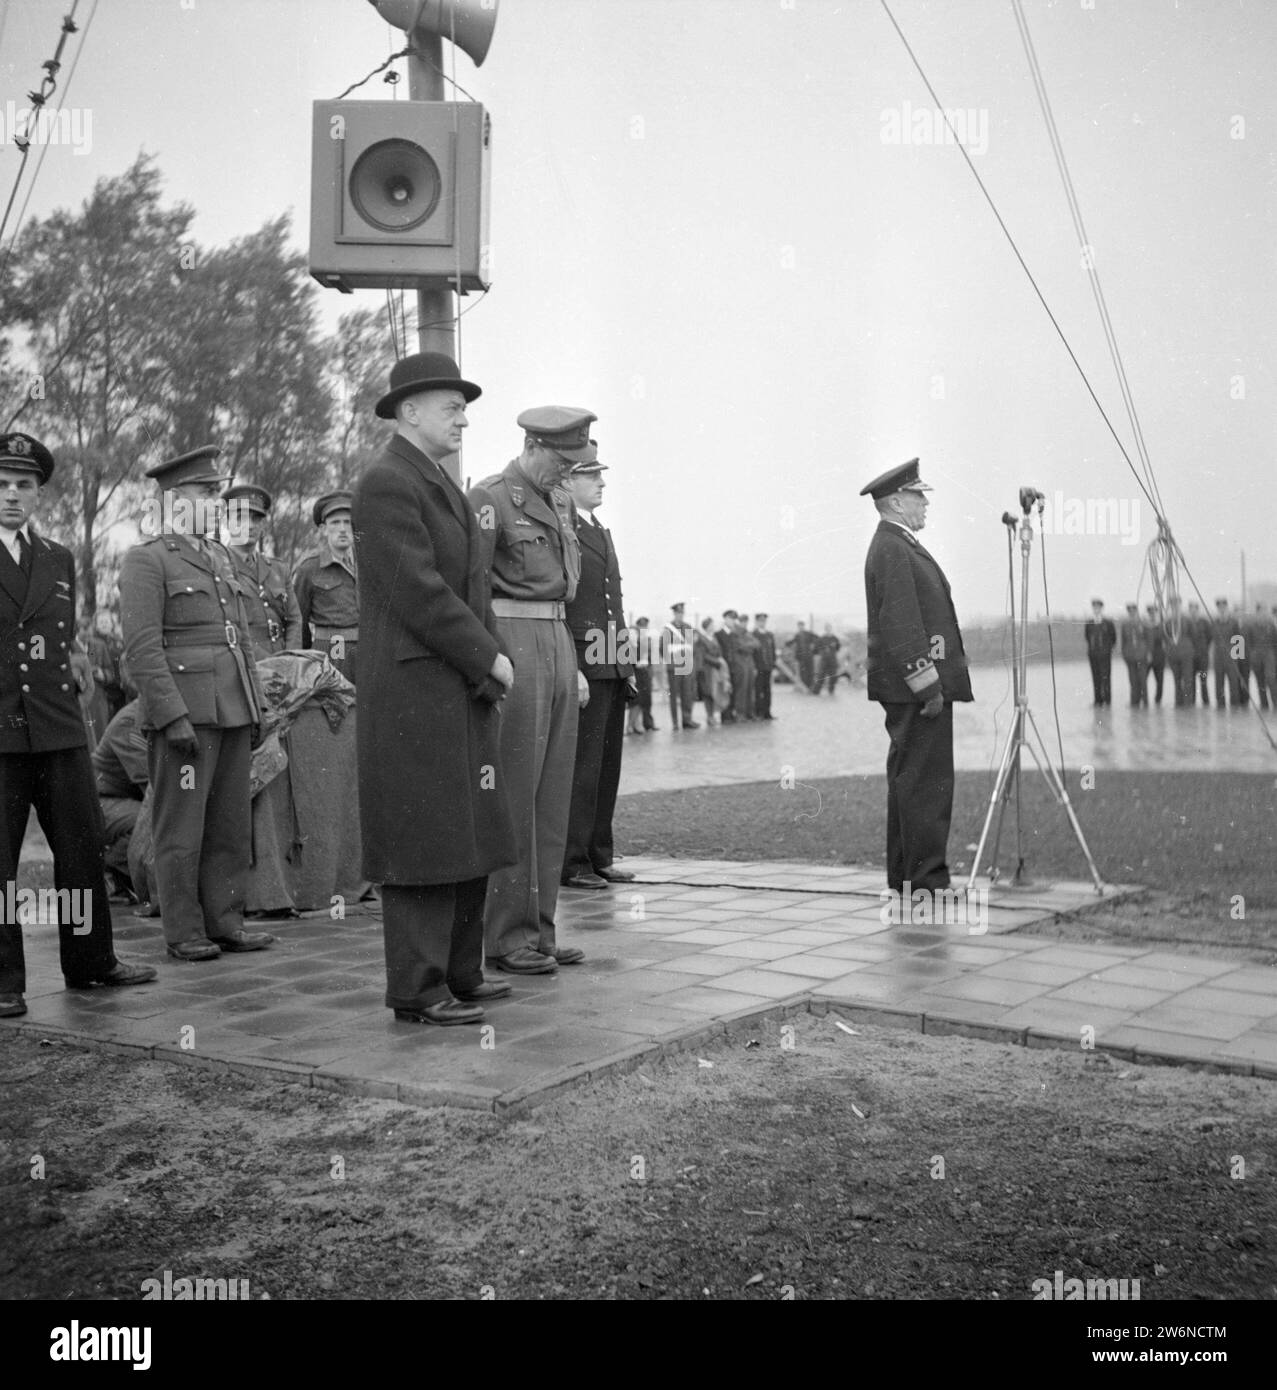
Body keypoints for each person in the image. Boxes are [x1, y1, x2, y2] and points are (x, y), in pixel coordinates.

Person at [354, 351, 516, 1025]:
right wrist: (488, 657)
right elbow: (417, 592)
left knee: (466, 828)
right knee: (423, 833)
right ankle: (417, 990)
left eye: (464, 409)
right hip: (416, 692)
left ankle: (459, 971)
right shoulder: (387, 483)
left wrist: (489, 657)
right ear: (409, 411)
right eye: (452, 407)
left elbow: (471, 587)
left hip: (456, 682)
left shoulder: (437, 482)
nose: (463, 419)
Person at [0, 433, 156, 1018]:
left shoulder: (58, 557)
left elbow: (61, 634)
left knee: (81, 847)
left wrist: (77, 658)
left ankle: (92, 963)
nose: (12, 495)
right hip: (2, 730)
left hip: (59, 725)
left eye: (24, 485)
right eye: (3, 484)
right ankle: (4, 981)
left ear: (38, 493)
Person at [119, 445, 273, 962]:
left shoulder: (220, 557)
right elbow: (142, 648)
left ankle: (225, 922)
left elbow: (242, 639)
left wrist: (257, 707)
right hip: (185, 715)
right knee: (181, 827)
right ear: (172, 499)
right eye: (207, 493)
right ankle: (184, 931)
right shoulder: (147, 559)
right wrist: (171, 716)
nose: (216, 502)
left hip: (231, 708)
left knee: (230, 823)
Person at [470, 406, 594, 974]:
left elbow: (566, 587)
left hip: (557, 638)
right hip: (512, 638)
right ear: (532, 445)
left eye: (575, 464)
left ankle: (541, 930)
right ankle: (505, 937)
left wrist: (574, 662)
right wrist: (488, 658)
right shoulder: (490, 499)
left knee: (552, 794)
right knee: (515, 791)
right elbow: (470, 588)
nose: (566, 474)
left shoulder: (561, 500)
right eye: (561, 462)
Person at [861, 458, 972, 895]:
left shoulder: (895, 543)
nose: (925, 503)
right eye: (917, 495)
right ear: (895, 501)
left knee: (911, 781)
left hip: (909, 687)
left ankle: (908, 877)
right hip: (916, 690)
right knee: (925, 785)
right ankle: (925, 881)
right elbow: (902, 623)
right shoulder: (892, 547)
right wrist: (927, 684)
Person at [560, 444, 636, 890]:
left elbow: (615, 605)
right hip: (584, 662)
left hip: (610, 660)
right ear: (568, 481)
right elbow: (566, 606)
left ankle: (599, 854)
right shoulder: (564, 530)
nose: (602, 483)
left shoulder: (600, 531)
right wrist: (575, 667)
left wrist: (625, 665)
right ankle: (573, 862)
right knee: (584, 766)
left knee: (608, 763)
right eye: (592, 476)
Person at [223, 483, 303, 656]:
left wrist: (290, 658)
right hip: (246, 662)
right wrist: (264, 663)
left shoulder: (278, 569)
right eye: (241, 518)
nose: (250, 525)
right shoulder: (219, 568)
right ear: (226, 522)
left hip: (283, 660)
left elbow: (295, 619)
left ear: (263, 525)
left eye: (256, 519)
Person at [294, 491, 359, 682]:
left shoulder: (368, 564)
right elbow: (299, 621)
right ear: (323, 529)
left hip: (366, 651)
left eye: (348, 522)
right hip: (332, 650)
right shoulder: (309, 568)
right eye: (335, 523)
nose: (342, 529)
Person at [92, 695, 149, 900]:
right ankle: (107, 867)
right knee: (147, 822)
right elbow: (154, 788)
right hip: (101, 801)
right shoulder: (130, 722)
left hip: (122, 800)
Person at [664, 602, 698, 728]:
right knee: (674, 696)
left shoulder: (688, 627)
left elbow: (692, 647)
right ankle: (675, 722)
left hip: (686, 666)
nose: (680, 615)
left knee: (687, 694)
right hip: (674, 667)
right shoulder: (668, 628)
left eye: (682, 613)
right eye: (678, 613)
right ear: (674, 614)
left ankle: (687, 720)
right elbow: (664, 649)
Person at [626, 617, 658, 733]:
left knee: (643, 700)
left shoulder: (645, 641)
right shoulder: (632, 642)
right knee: (636, 701)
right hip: (635, 674)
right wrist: (637, 663)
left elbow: (650, 656)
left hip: (644, 673)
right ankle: (631, 725)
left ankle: (637, 725)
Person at [695, 617, 729, 724]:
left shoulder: (713, 637)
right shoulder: (702, 639)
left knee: (715, 691)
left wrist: (720, 660)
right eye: (711, 625)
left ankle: (714, 715)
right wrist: (717, 662)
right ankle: (709, 716)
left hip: (716, 669)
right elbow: (703, 655)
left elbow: (719, 651)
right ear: (707, 627)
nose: (713, 627)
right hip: (707, 669)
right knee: (708, 692)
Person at [1083, 598, 1116, 706]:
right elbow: (1087, 637)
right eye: (1094, 607)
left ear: (1101, 608)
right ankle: (1098, 700)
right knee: (1095, 677)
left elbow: (1113, 638)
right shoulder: (1089, 623)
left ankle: (1107, 700)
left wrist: (1107, 650)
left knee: (1105, 677)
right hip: (1093, 655)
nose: (1096, 609)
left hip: (1105, 655)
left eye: (1098, 607)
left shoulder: (1108, 623)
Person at [1211, 598, 1243, 708]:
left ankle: (1235, 706)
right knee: (1219, 683)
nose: (1221, 609)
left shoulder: (1233, 622)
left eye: (1223, 607)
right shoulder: (1214, 622)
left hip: (1232, 658)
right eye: (1219, 608)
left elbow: (1239, 639)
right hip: (1218, 658)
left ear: (1226, 608)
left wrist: (1239, 658)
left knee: (1234, 683)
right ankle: (1220, 706)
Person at [1164, 599, 1197, 708]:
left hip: (1186, 654)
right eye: (1173, 606)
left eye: (1177, 606)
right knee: (1177, 679)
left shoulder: (1186, 620)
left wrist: (1189, 648)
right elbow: (1164, 637)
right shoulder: (1168, 622)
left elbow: (1193, 635)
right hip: (1173, 655)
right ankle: (1178, 702)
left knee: (1187, 679)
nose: (1175, 608)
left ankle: (1188, 703)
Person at [1119, 603, 1149, 707]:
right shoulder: (1125, 625)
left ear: (1136, 612)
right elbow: (1123, 641)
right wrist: (1124, 654)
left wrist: (1148, 653)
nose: (1132, 614)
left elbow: (1148, 639)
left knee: (1142, 679)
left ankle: (1145, 701)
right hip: (1130, 656)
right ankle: (1134, 701)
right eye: (1130, 612)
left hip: (1141, 655)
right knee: (1132, 680)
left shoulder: (1143, 623)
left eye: (1134, 611)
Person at [1248, 602, 1277, 710]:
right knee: (1260, 681)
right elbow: (1248, 642)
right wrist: (1252, 654)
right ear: (1258, 612)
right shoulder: (1252, 626)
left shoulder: (1271, 625)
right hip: (1257, 656)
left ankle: (1275, 704)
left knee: (1271, 678)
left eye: (1265, 610)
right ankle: (1264, 705)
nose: (1264, 613)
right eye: (1262, 610)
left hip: (1269, 656)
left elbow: (1275, 641)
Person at [731, 612, 759, 720]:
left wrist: (748, 645)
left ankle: (749, 712)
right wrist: (749, 646)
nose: (745, 624)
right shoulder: (735, 633)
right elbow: (740, 646)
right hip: (740, 662)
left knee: (750, 688)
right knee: (741, 689)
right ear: (739, 622)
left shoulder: (747, 633)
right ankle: (740, 713)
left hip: (749, 663)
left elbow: (757, 643)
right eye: (743, 622)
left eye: (746, 622)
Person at [1186, 600, 1212, 705]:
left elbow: (1210, 637)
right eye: (1191, 610)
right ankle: (1192, 701)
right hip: (1191, 657)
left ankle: (1206, 701)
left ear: (1198, 610)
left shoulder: (1204, 622)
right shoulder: (1186, 623)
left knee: (1203, 680)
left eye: (1195, 610)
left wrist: (1204, 647)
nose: (1193, 612)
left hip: (1203, 658)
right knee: (1191, 680)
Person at [715, 610, 739, 721]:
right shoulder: (718, 634)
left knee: (733, 690)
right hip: (724, 667)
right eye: (730, 619)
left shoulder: (734, 634)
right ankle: (725, 714)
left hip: (734, 667)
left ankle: (732, 712)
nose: (732, 621)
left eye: (734, 619)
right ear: (725, 619)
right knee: (724, 691)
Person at [753, 613, 777, 719]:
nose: (762, 623)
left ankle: (767, 712)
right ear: (757, 622)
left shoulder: (769, 635)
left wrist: (774, 666)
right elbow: (753, 652)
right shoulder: (753, 634)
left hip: (768, 667)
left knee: (768, 690)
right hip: (759, 667)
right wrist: (754, 667)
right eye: (760, 621)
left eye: (764, 621)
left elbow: (773, 651)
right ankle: (759, 713)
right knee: (759, 690)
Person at [1143, 604, 1166, 705]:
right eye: (1150, 613)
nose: (1152, 615)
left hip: (1159, 657)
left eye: (1154, 613)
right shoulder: (1145, 626)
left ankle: (1158, 699)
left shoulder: (1161, 626)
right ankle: (1144, 699)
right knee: (1144, 679)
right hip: (1147, 657)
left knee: (1159, 680)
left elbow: (1166, 640)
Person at [814, 623, 842, 694]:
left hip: (832, 660)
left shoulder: (835, 638)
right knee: (821, 676)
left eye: (829, 628)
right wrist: (823, 650)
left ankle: (831, 691)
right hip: (824, 660)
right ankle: (816, 692)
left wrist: (834, 647)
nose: (828, 630)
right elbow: (816, 648)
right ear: (825, 629)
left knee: (833, 676)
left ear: (831, 629)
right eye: (827, 628)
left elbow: (838, 648)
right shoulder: (822, 638)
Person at [793, 620, 816, 692]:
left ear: (803, 626)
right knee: (803, 672)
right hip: (801, 657)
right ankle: (805, 687)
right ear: (798, 627)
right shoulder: (797, 635)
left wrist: (814, 648)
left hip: (809, 656)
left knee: (810, 671)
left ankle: (811, 686)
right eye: (799, 626)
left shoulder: (809, 633)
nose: (800, 627)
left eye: (802, 626)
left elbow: (817, 639)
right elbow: (794, 644)